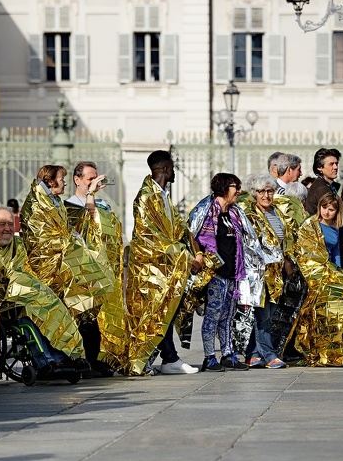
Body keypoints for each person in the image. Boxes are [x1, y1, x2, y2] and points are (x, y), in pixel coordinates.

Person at [20, 165, 115, 374]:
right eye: (60, 179)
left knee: (81, 307)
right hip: (48, 268)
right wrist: (72, 243)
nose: (63, 182)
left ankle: (74, 356)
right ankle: (53, 358)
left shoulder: (53, 201)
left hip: (65, 265)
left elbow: (66, 231)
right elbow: (41, 237)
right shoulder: (37, 203)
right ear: (51, 181)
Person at [125, 150, 202, 375]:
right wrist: (187, 257)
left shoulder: (162, 195)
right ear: (165, 169)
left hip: (166, 265)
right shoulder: (147, 197)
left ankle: (169, 358)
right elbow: (151, 237)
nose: (175, 172)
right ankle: (158, 359)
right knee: (154, 313)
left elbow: (179, 228)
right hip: (151, 267)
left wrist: (195, 253)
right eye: (173, 168)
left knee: (164, 312)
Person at [0, 206, 85, 360]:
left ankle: (70, 354)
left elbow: (24, 271)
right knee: (30, 309)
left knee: (51, 301)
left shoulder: (18, 244)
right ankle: (47, 359)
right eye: (1, 224)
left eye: (10, 224)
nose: (7, 228)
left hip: (19, 294)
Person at [190, 173, 263, 372]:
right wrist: (199, 256)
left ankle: (228, 354)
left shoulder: (234, 213)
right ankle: (209, 357)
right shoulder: (206, 211)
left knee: (228, 316)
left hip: (233, 272)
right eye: (235, 187)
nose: (239, 191)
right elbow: (193, 235)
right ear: (223, 187)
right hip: (215, 274)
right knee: (213, 316)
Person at [65, 161, 127, 374]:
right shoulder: (70, 205)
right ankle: (85, 359)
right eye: (89, 179)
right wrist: (90, 195)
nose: (94, 182)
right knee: (85, 316)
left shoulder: (102, 203)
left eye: (95, 178)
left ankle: (99, 357)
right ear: (77, 180)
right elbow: (88, 223)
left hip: (104, 266)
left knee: (102, 316)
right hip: (82, 267)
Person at [295, 192, 343, 366]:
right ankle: (315, 352)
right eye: (324, 208)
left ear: (337, 212)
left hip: (331, 274)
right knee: (315, 316)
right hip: (314, 275)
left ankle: (334, 352)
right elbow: (304, 251)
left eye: (331, 209)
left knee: (333, 315)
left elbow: (336, 254)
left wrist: (339, 274)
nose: (326, 212)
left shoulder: (336, 227)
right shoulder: (310, 225)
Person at [243, 174, 298, 369]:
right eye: (262, 191)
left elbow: (286, 239)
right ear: (254, 194)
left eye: (269, 191)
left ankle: (252, 353)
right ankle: (268, 354)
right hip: (260, 273)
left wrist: (287, 261)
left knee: (268, 314)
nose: (266, 195)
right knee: (262, 315)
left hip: (278, 272)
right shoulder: (249, 215)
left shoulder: (278, 213)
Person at [304, 147, 342, 215]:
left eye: (336, 164)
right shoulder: (321, 189)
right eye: (331, 164)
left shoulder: (327, 186)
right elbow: (334, 215)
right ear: (320, 167)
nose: (335, 167)